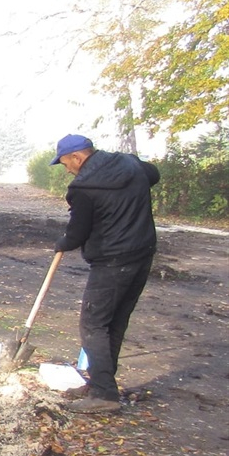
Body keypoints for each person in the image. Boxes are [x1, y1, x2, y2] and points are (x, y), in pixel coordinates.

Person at [50, 133, 160, 414]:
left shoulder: (83, 188)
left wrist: (63, 242)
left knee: (93, 325)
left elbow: (77, 234)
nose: (67, 171)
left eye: (65, 164)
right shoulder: (130, 165)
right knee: (115, 322)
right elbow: (154, 173)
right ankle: (102, 383)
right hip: (142, 254)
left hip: (112, 261)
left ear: (78, 157)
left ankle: (104, 394)